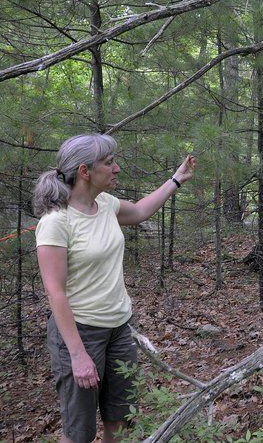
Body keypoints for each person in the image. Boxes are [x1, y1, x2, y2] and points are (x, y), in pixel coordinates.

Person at [33, 133, 196, 443]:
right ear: (85, 172)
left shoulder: (105, 204)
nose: (117, 168)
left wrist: (176, 179)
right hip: (79, 334)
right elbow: (56, 293)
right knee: (78, 432)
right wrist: (78, 355)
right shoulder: (56, 222)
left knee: (119, 419)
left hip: (119, 329)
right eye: (109, 163)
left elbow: (140, 211)